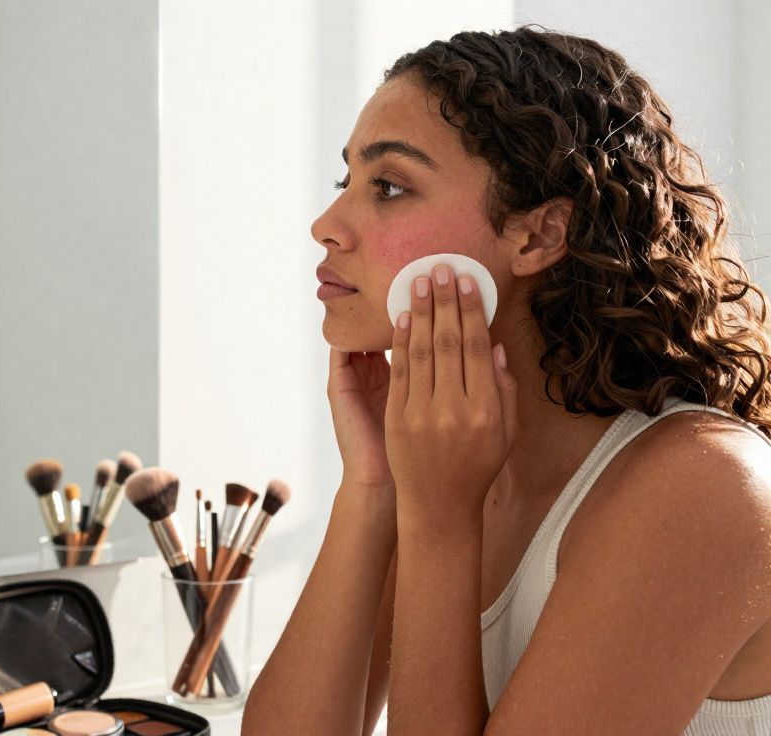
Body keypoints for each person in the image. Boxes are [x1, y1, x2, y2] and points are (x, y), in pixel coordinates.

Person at [244, 27, 771, 734]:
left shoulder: (702, 483)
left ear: (539, 235)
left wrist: (438, 521)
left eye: (389, 186)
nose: (326, 225)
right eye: (348, 183)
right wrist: (372, 487)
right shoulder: (454, 466)